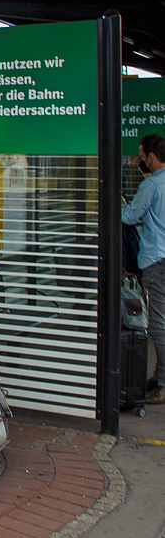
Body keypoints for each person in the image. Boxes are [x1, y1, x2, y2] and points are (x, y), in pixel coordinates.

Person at [121, 133, 165, 403]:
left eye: (142, 157)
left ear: (152, 156)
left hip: (157, 259)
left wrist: (120, 206)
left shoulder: (152, 185)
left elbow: (131, 216)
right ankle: (159, 375)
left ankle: (163, 382)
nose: (140, 162)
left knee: (157, 323)